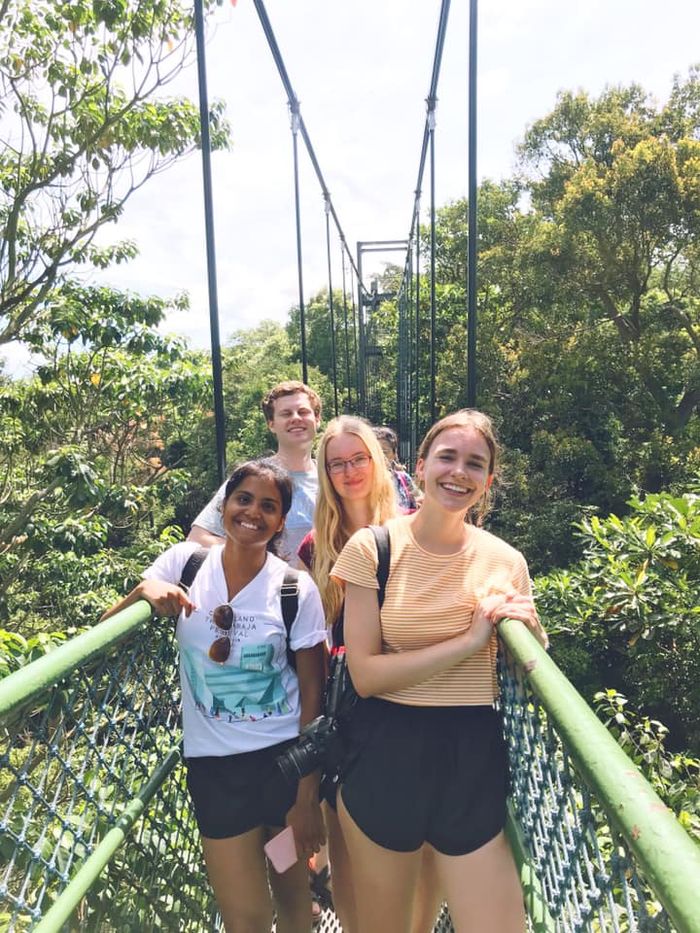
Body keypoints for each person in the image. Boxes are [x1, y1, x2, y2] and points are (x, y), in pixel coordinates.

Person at [332, 410, 548, 933]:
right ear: (422, 466)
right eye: (448, 457)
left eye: (476, 463)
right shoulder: (374, 548)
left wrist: (533, 634)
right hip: (386, 747)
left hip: (470, 751)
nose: (460, 472)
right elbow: (365, 674)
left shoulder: (506, 560)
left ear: (489, 480)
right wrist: (470, 641)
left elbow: (526, 667)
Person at [102, 459, 328, 932]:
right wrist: (144, 589)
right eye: (243, 499)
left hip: (284, 765)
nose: (253, 513)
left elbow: (313, 693)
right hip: (214, 769)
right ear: (224, 505)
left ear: (282, 521)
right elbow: (106, 632)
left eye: (269, 506)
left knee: (292, 895)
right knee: (245, 916)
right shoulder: (183, 562)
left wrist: (307, 797)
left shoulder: (293, 588)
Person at [297, 415, 397, 932]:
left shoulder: (415, 527)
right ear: (326, 472)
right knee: (345, 829)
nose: (350, 471)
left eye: (359, 458)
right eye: (337, 463)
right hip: (347, 704)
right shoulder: (317, 546)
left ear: (375, 462)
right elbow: (316, 636)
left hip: (405, 696)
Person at [188, 381, 322, 561]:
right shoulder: (253, 478)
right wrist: (261, 560)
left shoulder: (333, 477)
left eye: (303, 411)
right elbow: (198, 538)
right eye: (286, 413)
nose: (296, 418)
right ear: (271, 424)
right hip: (266, 588)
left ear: (317, 419)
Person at [373, 425, 421, 513]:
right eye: (375, 452)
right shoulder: (365, 482)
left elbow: (419, 498)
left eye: (384, 452)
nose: (380, 456)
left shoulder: (403, 479)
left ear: (394, 454)